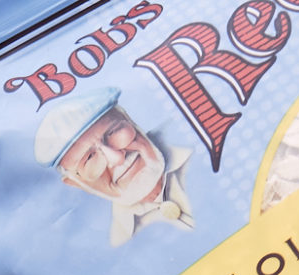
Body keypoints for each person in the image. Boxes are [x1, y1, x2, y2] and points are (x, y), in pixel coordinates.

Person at [34, 84, 194, 245]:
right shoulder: (117, 242)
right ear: (77, 184)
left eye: (114, 132)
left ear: (129, 120)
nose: (118, 158)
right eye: (89, 158)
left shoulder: (192, 133)